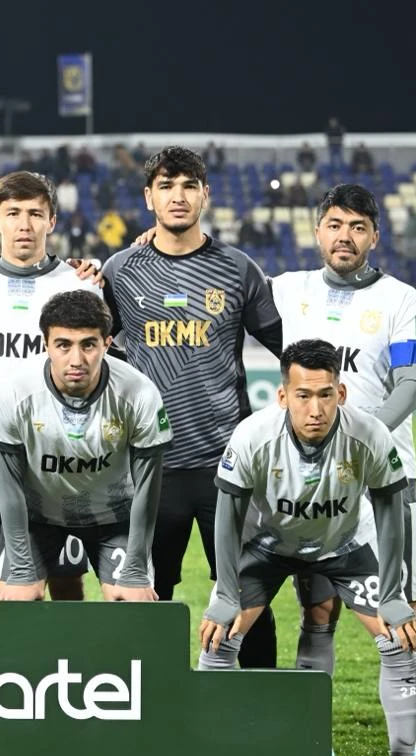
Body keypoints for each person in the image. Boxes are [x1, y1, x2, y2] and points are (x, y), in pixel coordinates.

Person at [199, 338, 416, 756]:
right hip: (267, 547)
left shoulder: (369, 434)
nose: (315, 409)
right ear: (282, 395)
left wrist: (393, 593)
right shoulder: (252, 436)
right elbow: (226, 516)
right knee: (217, 639)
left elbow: (390, 511)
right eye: (303, 395)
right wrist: (226, 592)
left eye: (325, 394)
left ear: (341, 394)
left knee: (401, 639)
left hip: (343, 547)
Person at [270, 183, 416, 756]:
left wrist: (356, 440)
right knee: (317, 613)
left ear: (374, 236)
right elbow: (210, 294)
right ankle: (312, 743)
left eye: (358, 227)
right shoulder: (286, 290)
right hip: (314, 487)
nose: (346, 236)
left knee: (403, 615)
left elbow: (410, 385)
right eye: (336, 224)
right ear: (318, 231)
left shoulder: (400, 298)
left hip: (388, 480)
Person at [0, 289, 169, 756]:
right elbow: (7, 487)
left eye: (89, 344)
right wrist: (21, 564)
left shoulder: (138, 393)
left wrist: (136, 564)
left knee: (133, 613)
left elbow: (149, 487)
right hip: (38, 519)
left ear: (107, 343)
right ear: (45, 344)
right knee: (15, 612)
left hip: (113, 519)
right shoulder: (14, 393)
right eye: (63, 345)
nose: (76, 358)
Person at [102, 145, 284, 667]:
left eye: (188, 186)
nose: (177, 196)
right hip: (148, 467)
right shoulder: (121, 270)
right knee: (144, 596)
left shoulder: (238, 269)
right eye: (166, 186)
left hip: (226, 466)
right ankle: (147, 701)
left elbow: (286, 348)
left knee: (248, 590)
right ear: (148, 197)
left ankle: (258, 703)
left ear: (206, 194)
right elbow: (94, 350)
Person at [0, 171, 102, 601]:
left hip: (60, 458)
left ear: (52, 220)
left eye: (35, 213)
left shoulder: (79, 284)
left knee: (66, 581)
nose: (24, 225)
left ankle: (64, 651)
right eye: (13, 213)